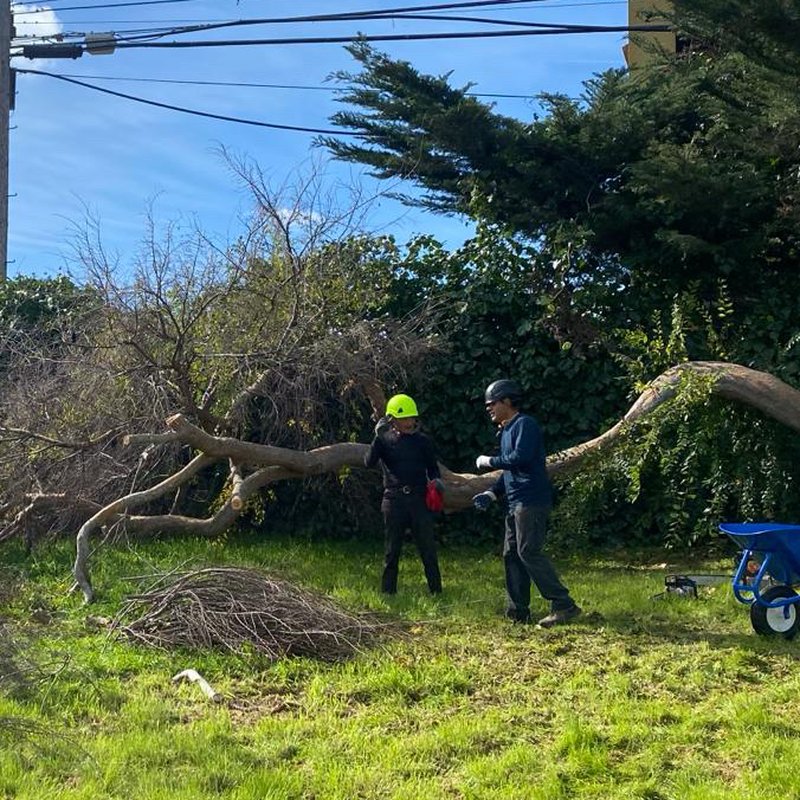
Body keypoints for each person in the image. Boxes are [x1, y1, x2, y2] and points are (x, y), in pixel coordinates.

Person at [473, 379, 581, 627]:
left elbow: (519, 458)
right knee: (511, 554)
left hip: (531, 500)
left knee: (528, 551)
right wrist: (491, 494)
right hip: (514, 502)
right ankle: (518, 612)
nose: (488, 408)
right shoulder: (507, 430)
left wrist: (489, 461)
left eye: (492, 403)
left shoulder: (525, 425)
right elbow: (510, 470)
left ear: (507, 401)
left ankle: (564, 604)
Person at [365, 393, 443, 595]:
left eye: (412, 418)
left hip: (418, 498)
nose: (410, 423)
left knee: (427, 548)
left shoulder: (423, 441)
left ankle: (436, 590)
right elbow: (368, 463)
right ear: (392, 420)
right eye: (405, 419)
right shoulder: (384, 441)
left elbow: (433, 468)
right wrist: (377, 437)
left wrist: (436, 482)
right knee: (392, 550)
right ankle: (388, 592)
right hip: (394, 499)